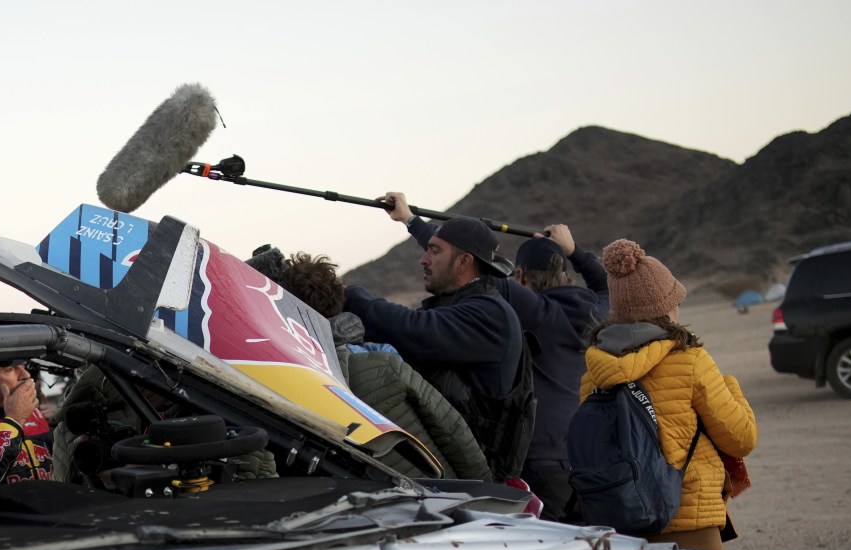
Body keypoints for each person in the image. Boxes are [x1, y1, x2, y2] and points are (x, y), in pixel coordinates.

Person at [380, 194, 609, 519]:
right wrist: (574, 252)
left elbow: (467, 264)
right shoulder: (597, 312)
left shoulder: (535, 311)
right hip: (584, 454)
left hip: (537, 457)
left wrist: (410, 220)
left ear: (522, 277)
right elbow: (604, 285)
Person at [580, 239, 757, 550]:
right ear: (665, 307)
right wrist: (731, 386)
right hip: (688, 519)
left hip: (623, 524)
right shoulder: (690, 360)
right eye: (675, 301)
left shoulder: (595, 369)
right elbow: (741, 439)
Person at [253, 248, 490, 481]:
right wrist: (487, 492)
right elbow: (453, 431)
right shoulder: (384, 360)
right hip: (445, 496)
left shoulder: (285, 386)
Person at [341, 215, 528, 479]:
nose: (424, 259)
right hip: (439, 459)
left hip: (467, 476)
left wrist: (344, 294)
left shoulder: (489, 315)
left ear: (464, 261)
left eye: (435, 250)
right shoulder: (456, 306)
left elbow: (411, 330)